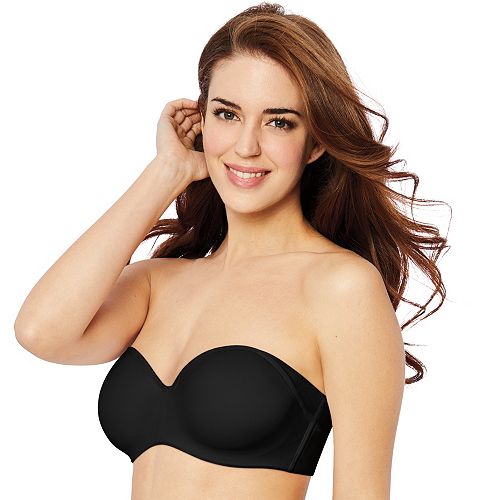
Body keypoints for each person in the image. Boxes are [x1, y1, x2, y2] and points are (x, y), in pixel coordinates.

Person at [14, 3, 449, 499]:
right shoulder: (158, 282)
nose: (245, 146)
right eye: (227, 114)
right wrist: (167, 172)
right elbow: (40, 332)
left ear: (315, 144)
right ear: (202, 121)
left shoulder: (341, 288)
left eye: (279, 122)